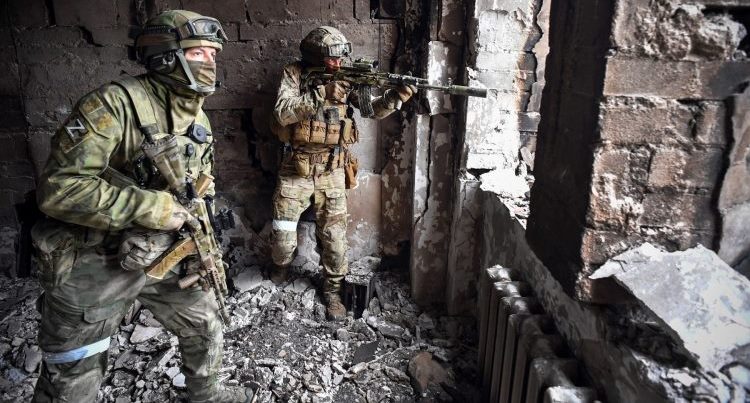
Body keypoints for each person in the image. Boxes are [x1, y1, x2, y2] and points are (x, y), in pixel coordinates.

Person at [31, 10, 256, 403]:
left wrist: (199, 233)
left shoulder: (197, 115)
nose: (210, 62)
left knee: (204, 322)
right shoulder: (112, 105)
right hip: (95, 259)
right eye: (198, 53)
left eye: (213, 54)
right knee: (74, 371)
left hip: (164, 251)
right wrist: (150, 207)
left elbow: (198, 183)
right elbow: (59, 189)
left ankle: (206, 395)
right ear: (165, 57)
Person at [269, 26, 416, 320]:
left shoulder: (347, 76)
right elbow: (282, 113)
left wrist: (396, 97)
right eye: (332, 59)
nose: (338, 64)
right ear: (314, 57)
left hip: (332, 170)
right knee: (282, 242)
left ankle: (333, 292)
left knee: (335, 241)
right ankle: (279, 268)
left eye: (340, 58)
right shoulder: (294, 73)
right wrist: (321, 93)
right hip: (295, 168)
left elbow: (372, 110)